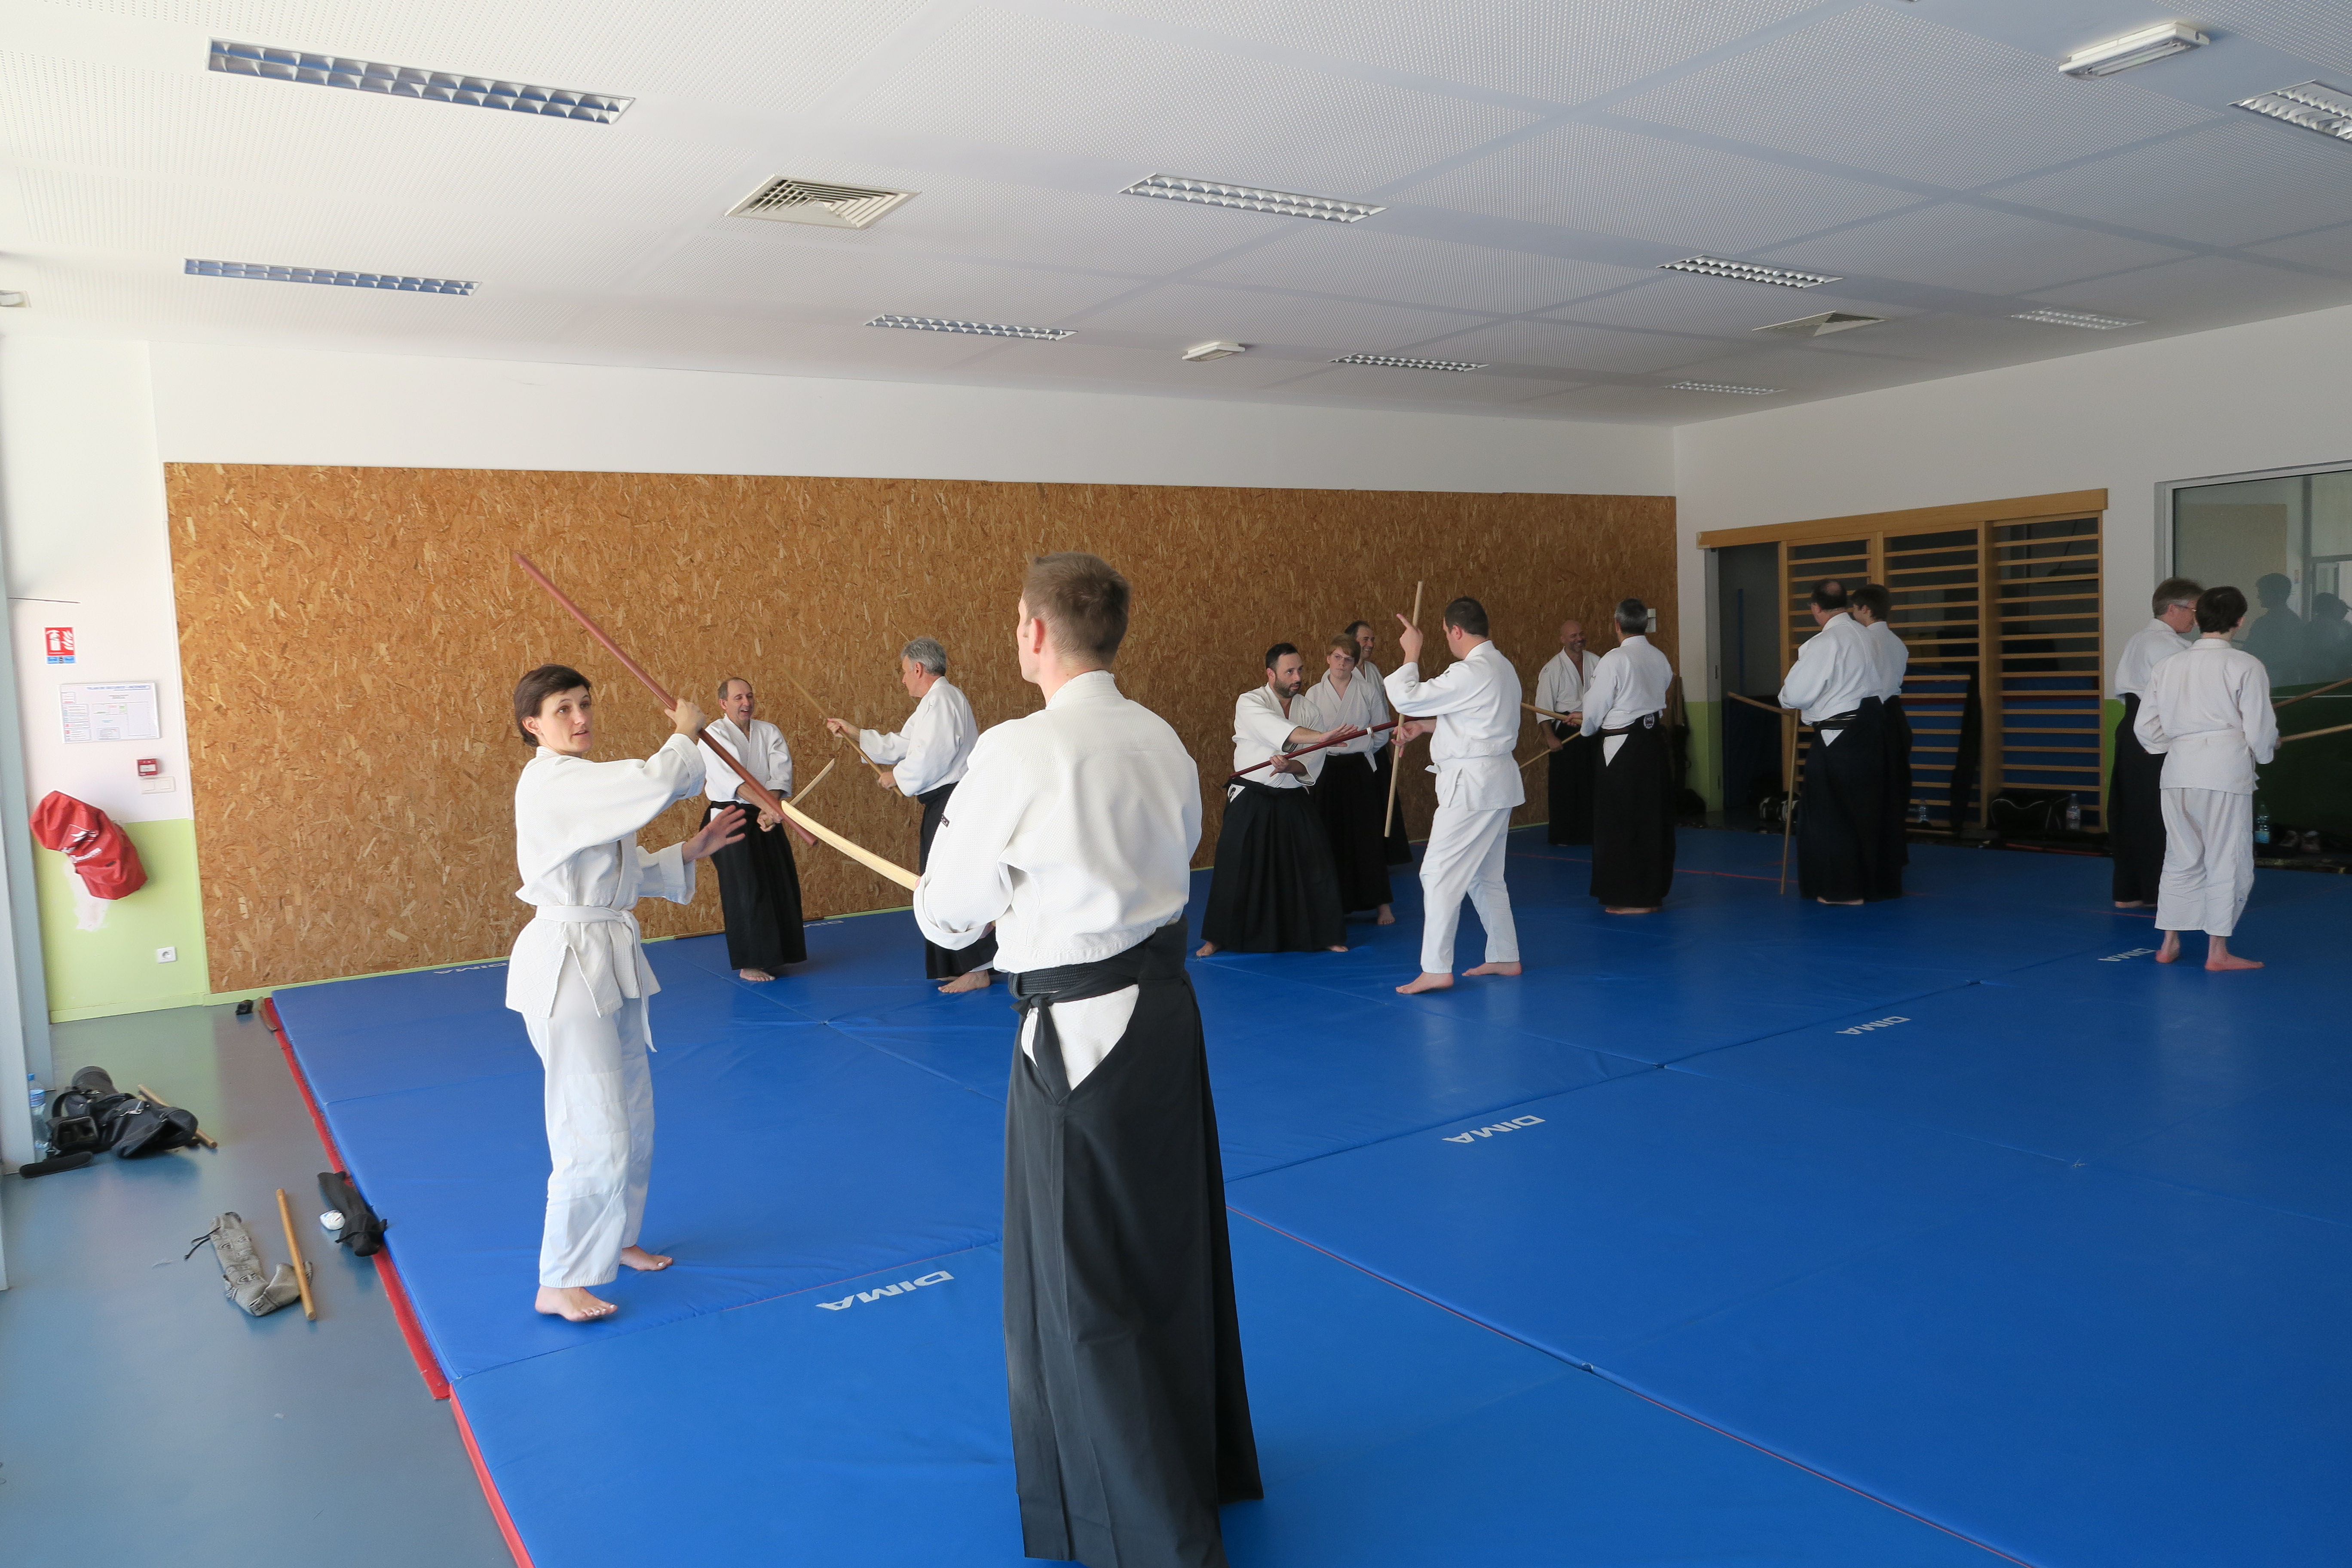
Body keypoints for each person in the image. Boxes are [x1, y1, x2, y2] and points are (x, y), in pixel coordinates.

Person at [914, 552, 1262, 1568]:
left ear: (1033, 632)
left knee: (1082, 1282)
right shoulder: (1160, 738)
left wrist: (989, 899)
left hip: (1077, 1036)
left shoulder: (1016, 750)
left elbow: (946, 915)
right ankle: (1190, 1465)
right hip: (1163, 1019)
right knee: (1167, 1248)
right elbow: (1170, 852)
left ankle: (1151, 1529)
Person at [506, 664, 744, 1323]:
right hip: (567, 970)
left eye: (585, 704)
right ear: (533, 725)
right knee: (591, 1127)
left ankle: (617, 1239)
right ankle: (560, 1280)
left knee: (633, 1116)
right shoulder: (551, 781)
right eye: (563, 709)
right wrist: (686, 735)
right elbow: (651, 782)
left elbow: (614, 871)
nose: (580, 717)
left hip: (605, 960)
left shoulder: (580, 784)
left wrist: (687, 852)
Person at [827, 638, 995, 992]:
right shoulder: (933, 703)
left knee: (952, 883)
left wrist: (898, 778)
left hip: (953, 802)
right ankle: (955, 964)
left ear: (918, 669)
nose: (903, 680)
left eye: (904, 672)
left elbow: (932, 757)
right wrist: (855, 733)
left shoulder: (944, 700)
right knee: (939, 883)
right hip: (944, 804)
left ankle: (977, 968)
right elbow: (903, 744)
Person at [2135, 585, 2277, 971]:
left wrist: (2181, 744)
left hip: (2178, 770)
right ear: (2240, 621)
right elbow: (2260, 729)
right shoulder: (2245, 665)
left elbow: (2146, 728)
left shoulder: (2169, 666)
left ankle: (2169, 943)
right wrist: (2265, 750)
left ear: (2198, 618)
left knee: (2181, 857)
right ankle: (2217, 952)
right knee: (2227, 858)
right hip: (2223, 771)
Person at [1385, 597, 1522, 994]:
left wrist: (1412, 652)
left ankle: (1436, 968)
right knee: (1485, 876)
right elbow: (1476, 717)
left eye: (1446, 632)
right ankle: (1505, 955)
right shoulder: (1502, 667)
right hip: (1495, 782)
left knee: (1437, 872)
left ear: (1457, 631)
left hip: (1472, 787)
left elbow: (1406, 698)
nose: (1446, 638)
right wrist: (1426, 727)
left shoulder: (1471, 671)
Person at [1197, 643, 1359, 956]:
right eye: (1290, 672)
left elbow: (1311, 762)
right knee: (1235, 864)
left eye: (1300, 670)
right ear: (1271, 674)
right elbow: (1276, 730)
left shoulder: (1309, 710)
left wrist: (1292, 766)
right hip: (1251, 794)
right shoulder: (1251, 702)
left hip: (1291, 793)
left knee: (1314, 861)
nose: (1298, 677)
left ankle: (1325, 933)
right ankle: (1218, 937)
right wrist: (1321, 737)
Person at [1777, 580, 1892, 905]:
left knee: (1831, 814)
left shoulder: (1824, 643)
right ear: (1845, 603)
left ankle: (1842, 891)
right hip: (1872, 729)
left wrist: (1787, 699)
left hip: (1839, 737)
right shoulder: (1869, 636)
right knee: (1866, 809)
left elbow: (1796, 695)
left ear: (1815, 608)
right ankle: (1871, 886)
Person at [699, 676, 810, 982]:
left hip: (766, 814)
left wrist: (769, 808)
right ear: (723, 703)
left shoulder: (769, 731)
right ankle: (749, 963)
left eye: (749, 696)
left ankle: (777, 954)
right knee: (746, 888)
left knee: (779, 880)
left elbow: (779, 775)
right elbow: (730, 780)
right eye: (738, 698)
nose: (746, 702)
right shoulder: (713, 734)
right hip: (729, 817)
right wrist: (767, 806)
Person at [1575, 599, 1677, 913]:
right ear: (1645, 624)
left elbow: (1596, 707)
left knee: (1620, 822)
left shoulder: (1614, 659)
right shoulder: (1659, 657)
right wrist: (1589, 718)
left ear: (1617, 625)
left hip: (1622, 750)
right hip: (1653, 746)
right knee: (1651, 819)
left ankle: (1630, 898)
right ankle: (1651, 894)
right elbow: (1654, 695)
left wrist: (1587, 725)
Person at [2107, 578, 2201, 909]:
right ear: (2173, 608)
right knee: (2158, 812)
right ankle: (2157, 892)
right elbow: (2184, 698)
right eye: (2194, 610)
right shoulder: (2164, 646)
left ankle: (2131, 891)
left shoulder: (2143, 639)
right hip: (2154, 732)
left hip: (2134, 730)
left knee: (2134, 810)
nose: (2197, 619)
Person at [1295, 631, 1396, 923]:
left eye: (1348, 659)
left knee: (1367, 836)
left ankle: (1382, 905)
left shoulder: (1367, 691)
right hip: (1325, 768)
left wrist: (1360, 747)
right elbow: (1304, 736)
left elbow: (1382, 732)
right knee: (1327, 836)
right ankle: (1329, 904)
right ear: (1328, 658)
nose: (1341, 663)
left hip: (1358, 769)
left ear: (1355, 663)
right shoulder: (1313, 694)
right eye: (1337, 657)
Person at [1848, 584, 1911, 880]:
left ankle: (1869, 854)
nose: (1852, 614)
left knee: (1869, 790)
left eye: (1854, 608)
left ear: (1866, 609)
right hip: (1896, 718)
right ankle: (1894, 855)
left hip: (1873, 717)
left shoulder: (1863, 642)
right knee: (1895, 788)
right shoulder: (1898, 643)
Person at [1351, 618, 1414, 867]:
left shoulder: (1374, 671)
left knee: (1384, 802)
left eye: (1373, 640)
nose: (1370, 644)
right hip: (1356, 752)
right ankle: (1369, 857)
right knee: (1365, 807)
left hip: (1378, 747)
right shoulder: (1342, 675)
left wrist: (1389, 739)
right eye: (1365, 639)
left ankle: (1389, 854)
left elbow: (1384, 711)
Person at [1535, 619, 1600, 845]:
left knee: (1593, 781)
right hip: (1566, 730)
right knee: (1567, 785)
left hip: (1592, 726)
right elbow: (1543, 707)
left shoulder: (1597, 662)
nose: (1579, 639)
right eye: (1573, 636)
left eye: (1581, 634)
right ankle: (1564, 835)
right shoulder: (1552, 669)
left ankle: (1593, 833)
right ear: (1562, 639)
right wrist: (1550, 737)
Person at [2240, 572, 2308, 686]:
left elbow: (2252, 651)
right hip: (2288, 678)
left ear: (2279, 594)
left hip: (2271, 679)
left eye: (2263, 592)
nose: (2259, 597)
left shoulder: (2265, 622)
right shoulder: (2294, 620)